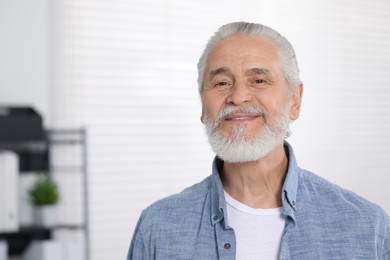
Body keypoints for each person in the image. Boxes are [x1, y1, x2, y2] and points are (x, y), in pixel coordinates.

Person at [127, 21, 390, 259]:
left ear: (295, 101)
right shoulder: (157, 228)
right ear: (203, 107)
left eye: (259, 80)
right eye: (221, 83)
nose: (238, 97)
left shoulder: (368, 226)